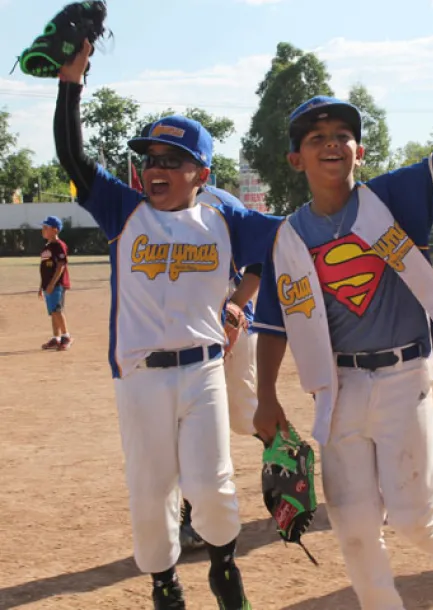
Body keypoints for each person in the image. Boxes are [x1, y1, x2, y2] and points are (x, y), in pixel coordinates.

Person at [55, 41, 280, 610]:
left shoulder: (225, 216)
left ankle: (225, 569)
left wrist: (243, 304)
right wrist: (70, 85)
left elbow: (287, 242)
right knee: (151, 492)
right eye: (149, 159)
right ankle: (164, 583)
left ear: (200, 172)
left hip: (204, 368)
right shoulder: (123, 210)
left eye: (170, 160)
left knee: (212, 484)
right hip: (140, 378)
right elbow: (73, 157)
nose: (154, 169)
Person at [252, 71, 433, 609]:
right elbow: (271, 324)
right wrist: (266, 395)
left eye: (342, 135)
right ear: (296, 160)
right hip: (338, 387)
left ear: (359, 150)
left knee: (412, 515)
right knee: (353, 526)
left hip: (405, 375)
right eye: (316, 138)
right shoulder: (288, 238)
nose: (331, 143)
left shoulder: (393, 197)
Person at [179, 189, 264, 553]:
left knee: (245, 417)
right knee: (188, 422)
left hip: (228, 322)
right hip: (181, 328)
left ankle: (286, 462)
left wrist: (234, 306)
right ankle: (191, 515)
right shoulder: (152, 208)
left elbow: (259, 260)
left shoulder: (223, 203)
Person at [38, 215, 73, 351]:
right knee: (52, 312)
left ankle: (66, 336)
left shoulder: (59, 245)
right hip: (48, 285)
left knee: (57, 310)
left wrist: (52, 284)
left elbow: (61, 265)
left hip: (57, 284)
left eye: (46, 227)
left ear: (55, 230)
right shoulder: (47, 246)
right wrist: (42, 286)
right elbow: (44, 268)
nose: (43, 230)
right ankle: (56, 338)